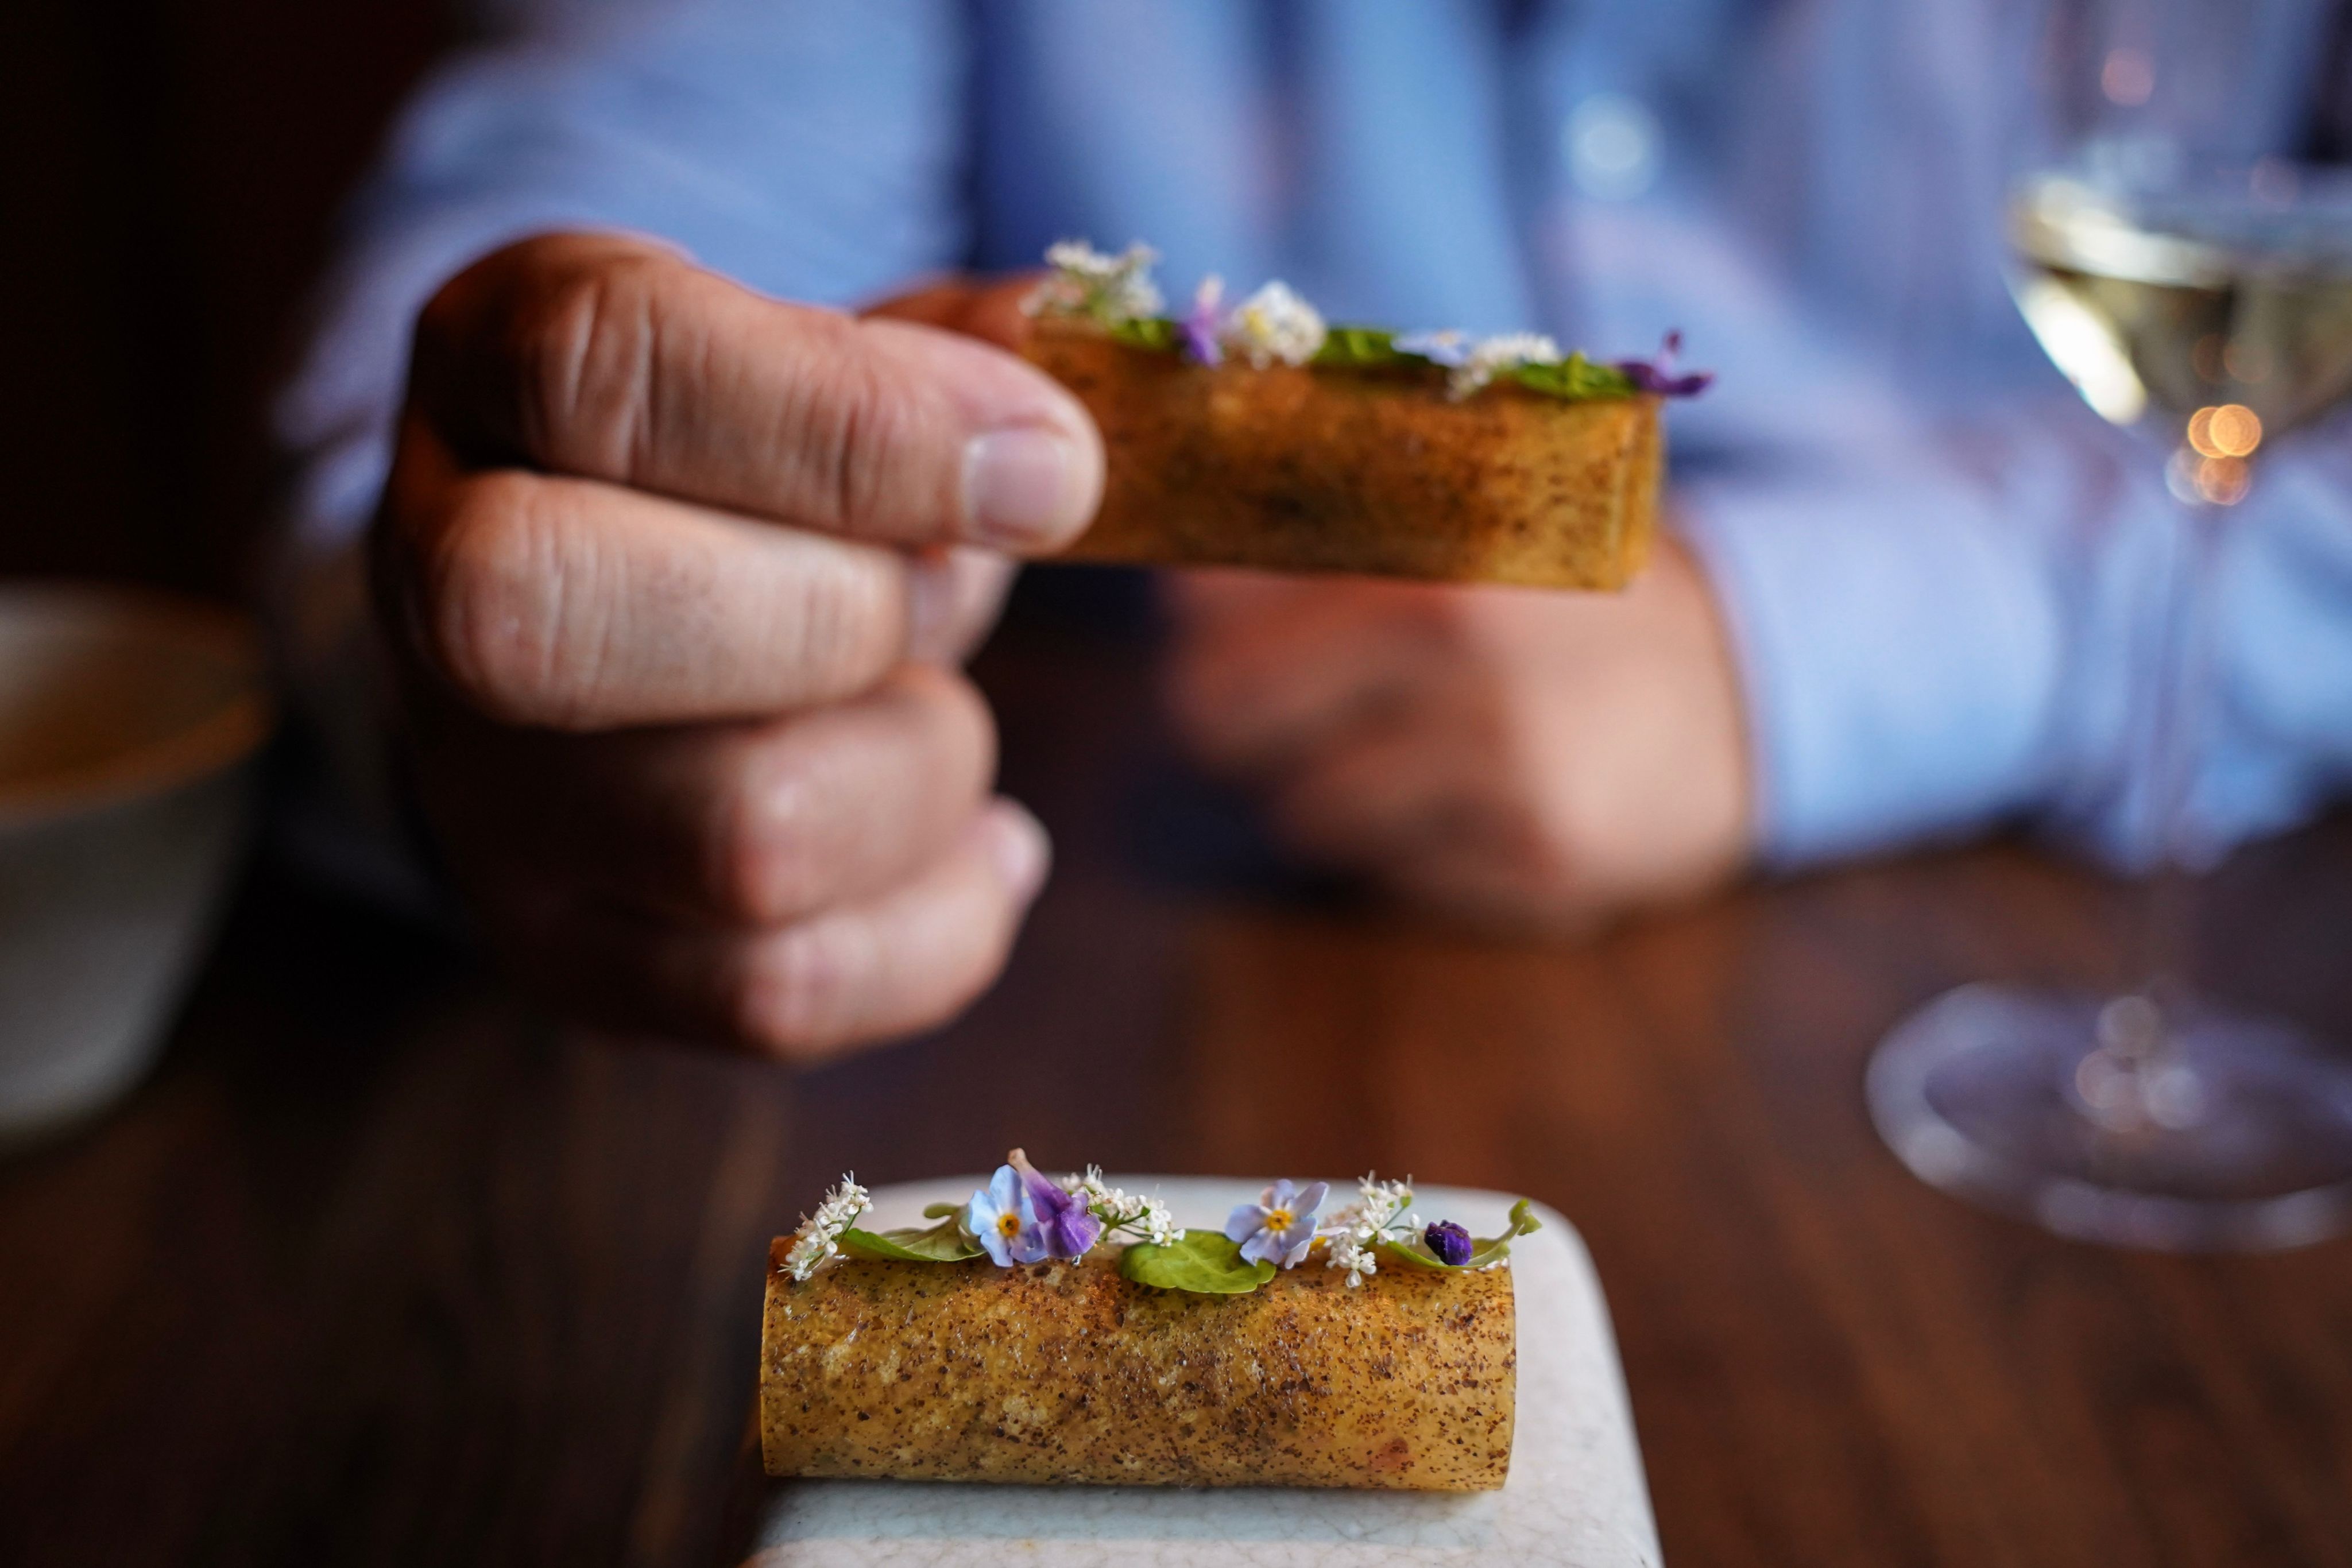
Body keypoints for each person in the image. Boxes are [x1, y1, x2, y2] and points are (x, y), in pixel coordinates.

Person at [276, 0, 2352, 1062]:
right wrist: (507, 645)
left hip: (2029, 962)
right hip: (1085, 967)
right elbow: (535, 278)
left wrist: (1815, 652)